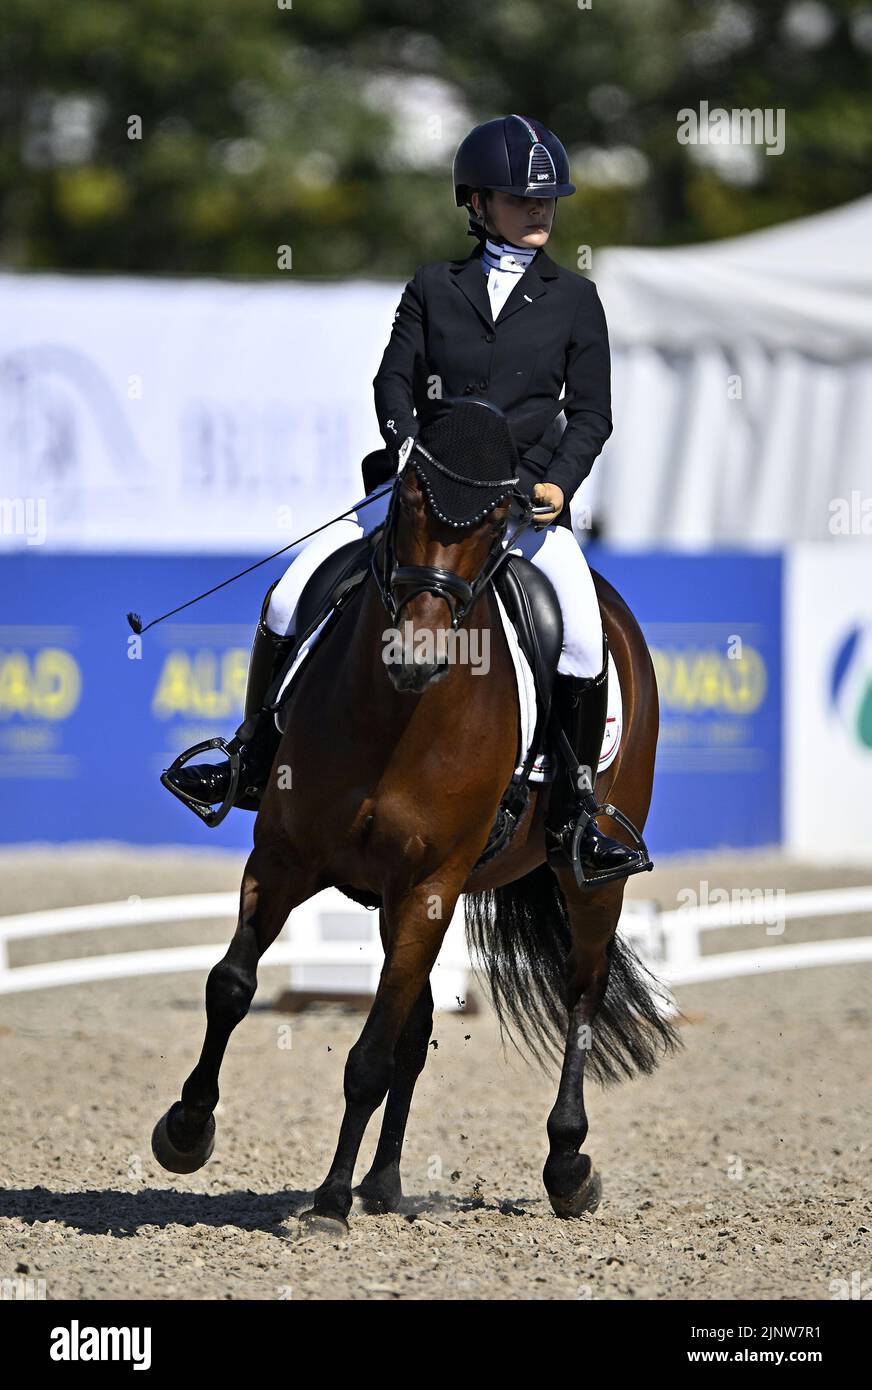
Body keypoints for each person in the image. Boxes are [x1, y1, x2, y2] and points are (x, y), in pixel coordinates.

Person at [164, 113, 645, 885]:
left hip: (519, 506)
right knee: (290, 594)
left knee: (584, 636)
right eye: (522, 198)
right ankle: (249, 757)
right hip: (421, 494)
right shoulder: (433, 287)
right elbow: (393, 379)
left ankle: (578, 811)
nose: (541, 210)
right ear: (477, 203)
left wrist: (558, 480)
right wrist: (407, 446)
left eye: (548, 198)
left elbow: (592, 412)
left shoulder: (575, 299)